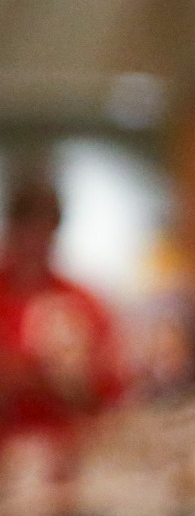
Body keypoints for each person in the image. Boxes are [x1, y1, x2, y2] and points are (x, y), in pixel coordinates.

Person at [0, 178, 124, 452]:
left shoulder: (82, 304)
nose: (34, 244)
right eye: (26, 231)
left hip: (65, 455)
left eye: (44, 233)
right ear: (11, 229)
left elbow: (111, 392)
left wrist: (78, 380)